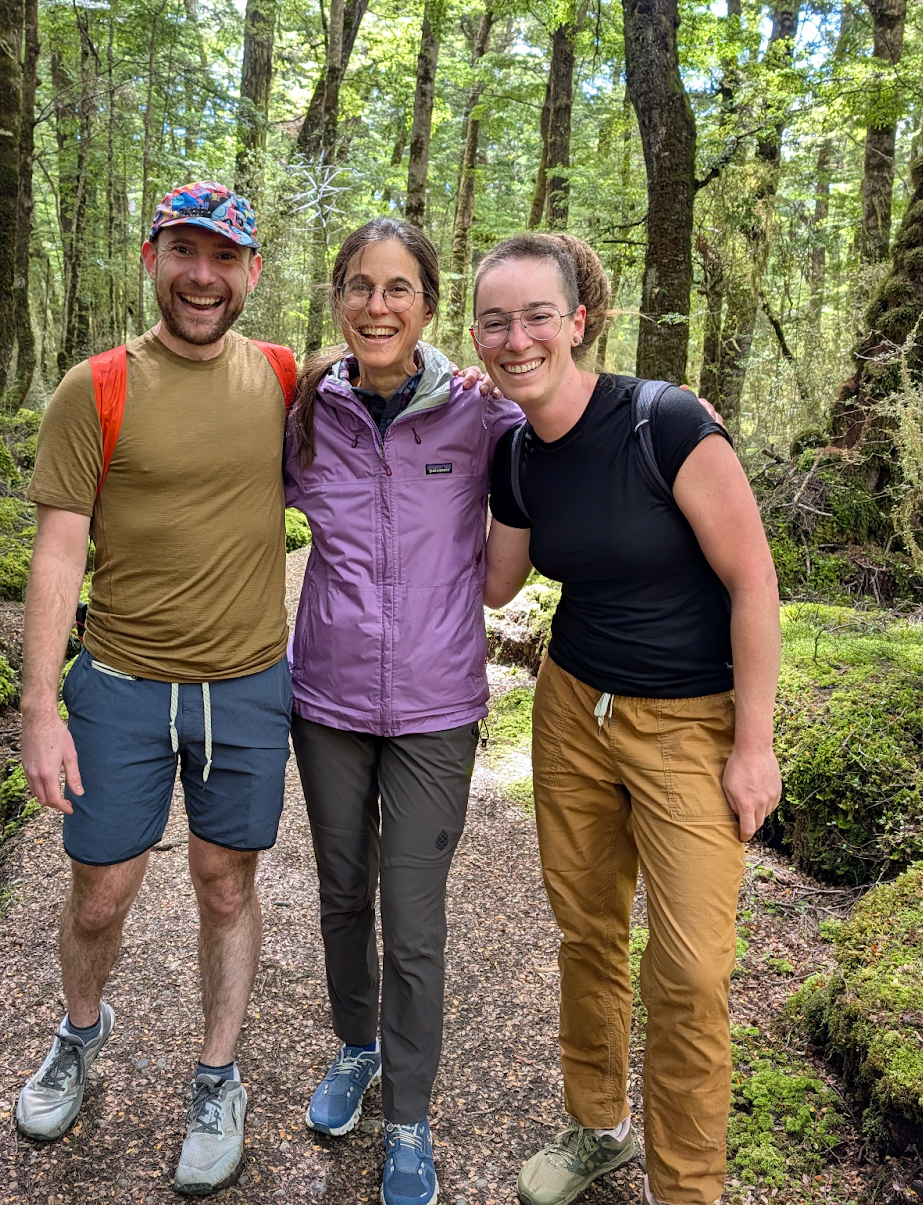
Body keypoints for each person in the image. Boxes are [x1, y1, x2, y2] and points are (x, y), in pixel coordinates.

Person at [474, 235, 782, 1205]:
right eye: (493, 320)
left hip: (691, 720)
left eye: (534, 315)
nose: (514, 336)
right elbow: (496, 578)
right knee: (588, 932)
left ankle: (686, 1186)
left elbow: (753, 581)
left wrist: (753, 743)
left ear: (577, 319)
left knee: (690, 970)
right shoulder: (517, 452)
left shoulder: (668, 423)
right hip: (572, 708)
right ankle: (598, 1127)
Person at [14, 181, 298, 1196]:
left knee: (227, 884)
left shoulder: (281, 377)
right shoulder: (93, 386)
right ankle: (79, 1034)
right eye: (185, 251)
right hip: (122, 682)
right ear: (151, 257)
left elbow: (406, 405)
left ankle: (217, 1076)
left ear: (251, 273)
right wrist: (40, 706)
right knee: (100, 894)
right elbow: (57, 550)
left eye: (224, 258)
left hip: (247, 685)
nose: (203, 276)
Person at [284, 217, 524, 1205]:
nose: (375, 305)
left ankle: (411, 1118)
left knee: (412, 920)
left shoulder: (479, 414)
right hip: (327, 698)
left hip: (435, 705)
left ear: (429, 305)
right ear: (338, 300)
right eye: (357, 286)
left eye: (397, 288)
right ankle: (357, 1044)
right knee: (343, 891)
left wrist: (673, 410)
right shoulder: (303, 413)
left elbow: (577, 423)